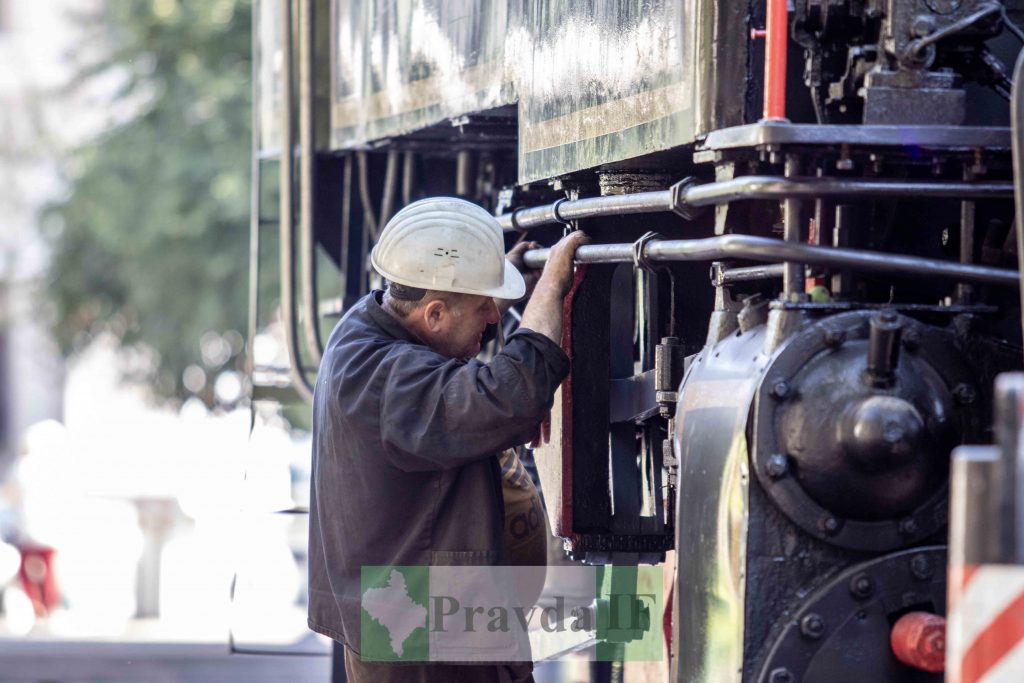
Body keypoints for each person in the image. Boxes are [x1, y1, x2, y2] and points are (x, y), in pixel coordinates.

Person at [307, 196, 588, 683]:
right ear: (434, 314)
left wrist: (484, 285)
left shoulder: (362, 329)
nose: (495, 318)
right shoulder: (390, 381)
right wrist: (553, 283)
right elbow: (513, 394)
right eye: (484, 308)